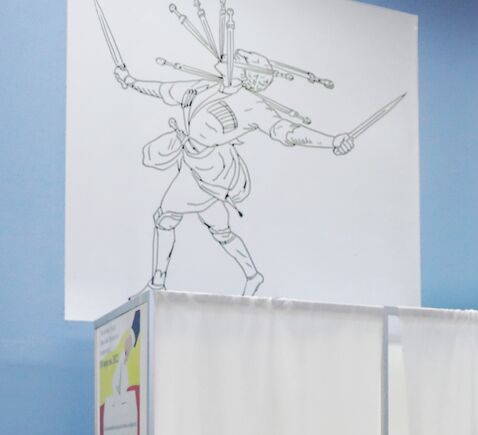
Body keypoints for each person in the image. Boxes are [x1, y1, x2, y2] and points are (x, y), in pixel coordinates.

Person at [114, 51, 356, 296]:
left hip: (209, 174)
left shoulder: (251, 105)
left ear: (248, 74)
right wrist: (131, 81)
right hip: (194, 165)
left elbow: (286, 132)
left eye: (246, 57)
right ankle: (252, 275)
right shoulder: (205, 86)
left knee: (165, 217)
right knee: (220, 230)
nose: (236, 53)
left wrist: (332, 141)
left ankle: (157, 285)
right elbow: (164, 90)